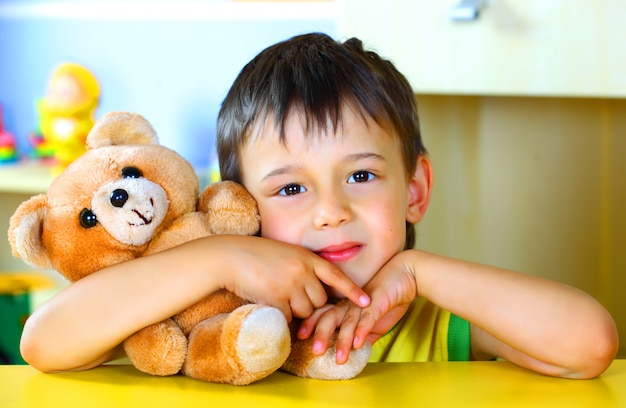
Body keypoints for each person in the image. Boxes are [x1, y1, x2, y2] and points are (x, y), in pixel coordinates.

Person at [20, 33, 618, 379]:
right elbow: (45, 343)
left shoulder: (434, 316)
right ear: (241, 204)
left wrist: (419, 273)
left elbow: (590, 343)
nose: (330, 211)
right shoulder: (207, 309)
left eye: (360, 174)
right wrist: (220, 259)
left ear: (414, 190)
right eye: (291, 188)